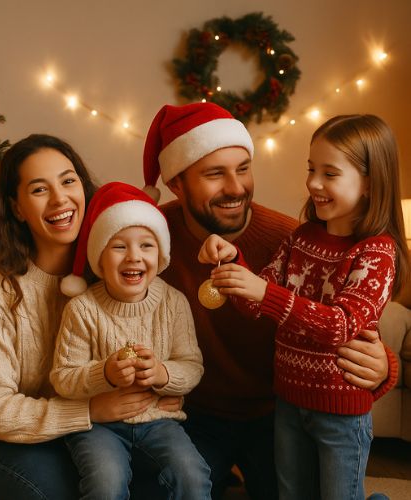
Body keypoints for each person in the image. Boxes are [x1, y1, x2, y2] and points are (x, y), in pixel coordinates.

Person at [139, 103, 398, 499]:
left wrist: (385, 368)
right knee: (157, 488)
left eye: (243, 168)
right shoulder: (146, 242)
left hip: (274, 412)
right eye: (214, 174)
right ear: (177, 182)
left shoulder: (290, 235)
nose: (236, 187)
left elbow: (346, 321)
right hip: (195, 415)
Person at [0, 135, 180, 500]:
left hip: (106, 430)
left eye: (68, 181)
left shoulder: (113, 265)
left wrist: (162, 390)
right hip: (18, 440)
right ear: (17, 208)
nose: (60, 200)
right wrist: (89, 410)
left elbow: (161, 341)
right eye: (39, 189)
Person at [50, 181, 211, 500]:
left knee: (192, 473)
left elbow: (192, 367)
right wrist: (105, 373)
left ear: (161, 254)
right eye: (119, 246)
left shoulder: (173, 303)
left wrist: (163, 374)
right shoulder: (82, 309)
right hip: (99, 427)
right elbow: (63, 378)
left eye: (146, 246)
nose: (133, 257)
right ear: (99, 256)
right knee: (106, 481)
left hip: (159, 422)